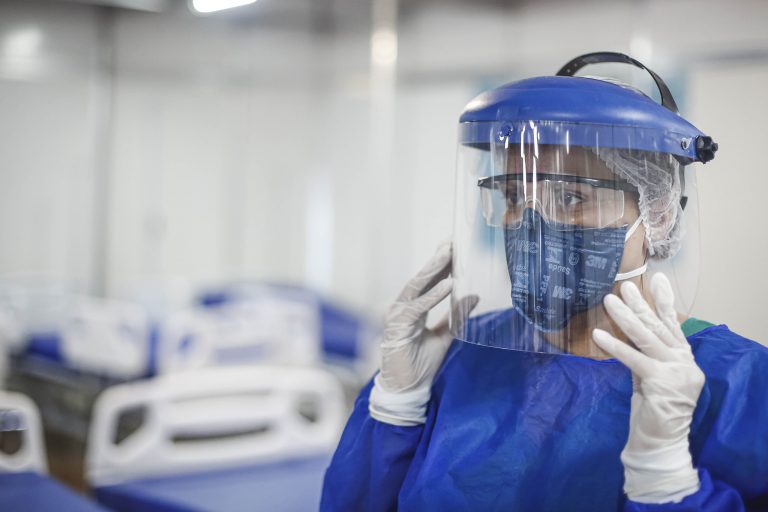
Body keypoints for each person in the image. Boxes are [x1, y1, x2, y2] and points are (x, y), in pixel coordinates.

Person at [320, 52, 768, 511]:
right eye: (514, 197)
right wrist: (396, 406)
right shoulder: (461, 357)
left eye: (572, 198)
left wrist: (665, 481)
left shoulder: (738, 381)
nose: (532, 225)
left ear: (659, 214)